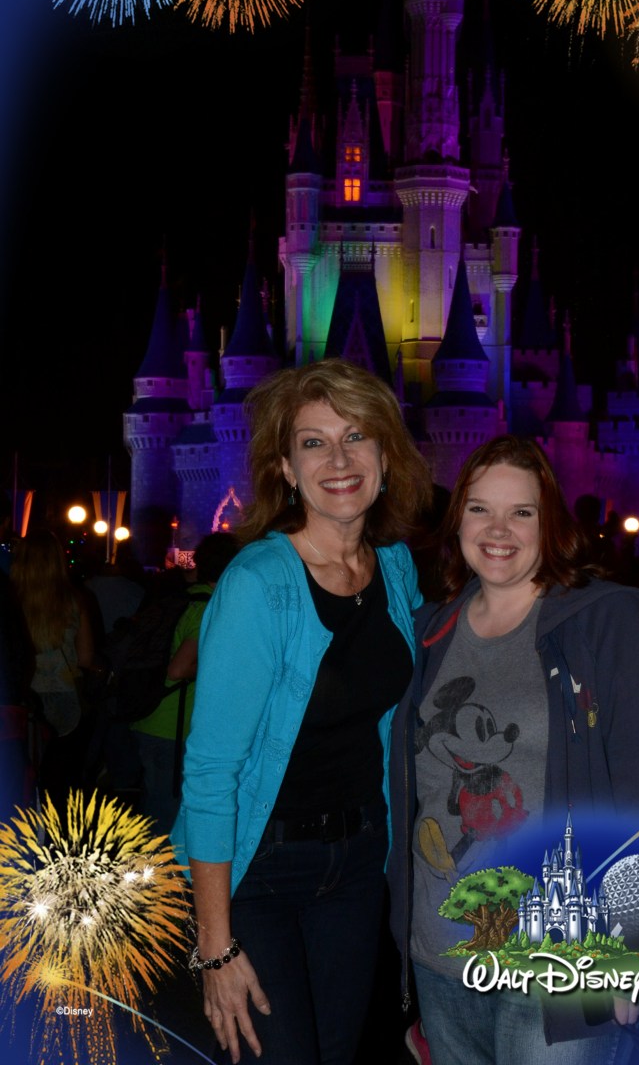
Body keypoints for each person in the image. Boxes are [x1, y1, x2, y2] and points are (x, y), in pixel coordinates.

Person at [387, 435, 639, 1065]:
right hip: (442, 957)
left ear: (549, 523)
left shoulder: (602, 625)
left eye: (521, 512)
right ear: (458, 521)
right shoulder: (433, 628)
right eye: (479, 509)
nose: (498, 530)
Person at [171, 358, 433, 1064]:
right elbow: (211, 771)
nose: (339, 460)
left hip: (355, 867)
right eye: (313, 442)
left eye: (357, 437)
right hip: (261, 872)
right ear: (286, 467)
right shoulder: (258, 584)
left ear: (385, 453)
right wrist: (215, 946)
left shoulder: (396, 569)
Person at [131, 530, 241, 836]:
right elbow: (179, 669)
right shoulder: (207, 610)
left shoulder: (183, 600)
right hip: (172, 727)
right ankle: (157, 880)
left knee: (154, 805)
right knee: (165, 815)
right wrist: (220, 665)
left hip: (151, 717)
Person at [9, 528, 100, 816]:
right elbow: (85, 658)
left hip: (21, 699)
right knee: (59, 783)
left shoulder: (9, 600)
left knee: (19, 775)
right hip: (65, 701)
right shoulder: (76, 600)